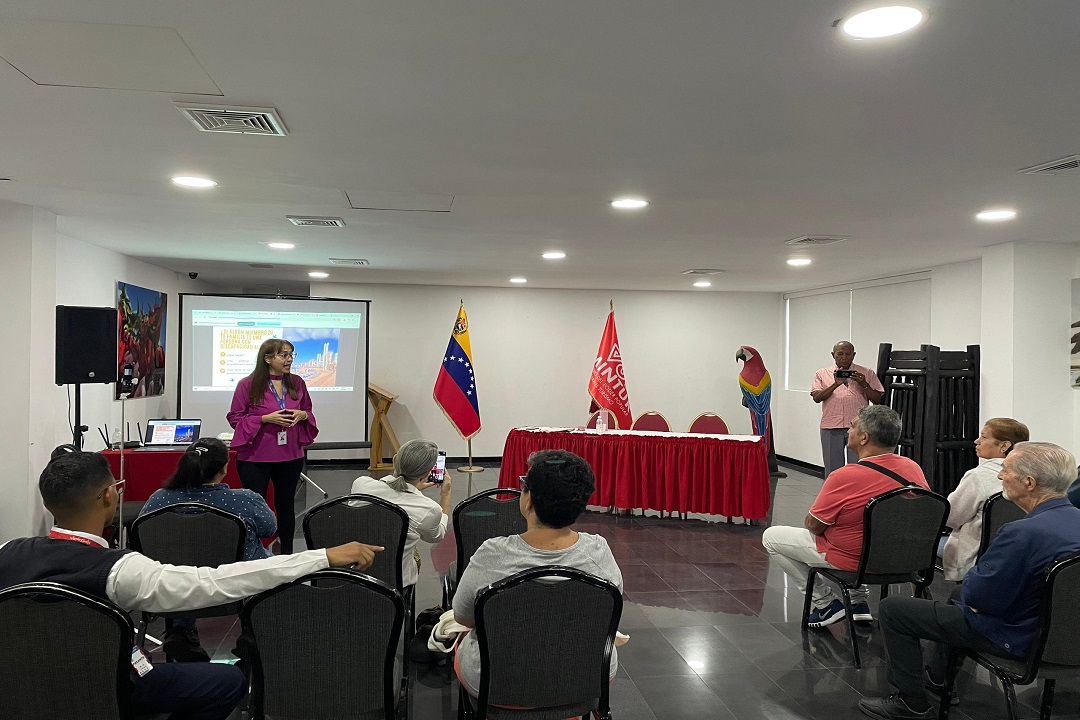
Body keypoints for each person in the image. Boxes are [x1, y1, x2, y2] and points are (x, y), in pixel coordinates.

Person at [0, 451, 381, 720]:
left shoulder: (8, 551)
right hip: (109, 688)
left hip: (18, 687)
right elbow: (219, 582)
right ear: (110, 495)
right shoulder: (120, 571)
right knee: (226, 681)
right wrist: (321, 556)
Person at [859, 442, 1080, 720]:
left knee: (895, 609)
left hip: (1020, 639)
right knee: (957, 595)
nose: (1000, 475)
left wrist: (977, 585)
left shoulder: (1022, 533)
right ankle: (937, 678)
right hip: (1068, 637)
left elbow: (980, 597)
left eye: (1007, 470)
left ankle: (910, 702)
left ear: (1029, 482)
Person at [452, 449, 623, 700]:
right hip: (586, 679)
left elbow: (463, 617)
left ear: (529, 499)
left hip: (497, 686)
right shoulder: (599, 552)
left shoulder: (492, 555)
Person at [762, 405, 928, 628]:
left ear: (864, 438)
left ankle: (825, 604)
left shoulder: (844, 476)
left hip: (855, 563)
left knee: (772, 537)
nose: (848, 431)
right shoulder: (913, 468)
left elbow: (814, 525)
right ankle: (857, 603)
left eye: (852, 426)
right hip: (905, 560)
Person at [139, 437, 278, 662]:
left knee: (185, 560)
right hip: (235, 588)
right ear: (224, 468)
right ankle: (253, 637)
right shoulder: (245, 500)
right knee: (271, 564)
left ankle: (181, 630)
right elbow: (269, 528)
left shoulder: (158, 500)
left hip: (176, 588)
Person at [227, 338, 318, 554]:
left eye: (291, 355)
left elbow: (308, 410)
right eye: (283, 355)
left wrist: (302, 415)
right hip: (255, 457)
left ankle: (287, 553)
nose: (289, 360)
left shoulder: (297, 382)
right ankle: (253, 552)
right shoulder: (247, 384)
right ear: (267, 358)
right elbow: (234, 418)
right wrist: (265, 419)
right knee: (254, 505)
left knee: (286, 505)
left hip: (290, 455)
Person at [351, 438, 452, 588]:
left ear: (394, 460)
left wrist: (410, 488)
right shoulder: (428, 509)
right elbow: (437, 536)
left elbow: (386, 492)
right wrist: (445, 495)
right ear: (426, 474)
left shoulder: (361, 485)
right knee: (414, 553)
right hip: (395, 581)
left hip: (356, 572)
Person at [938, 418, 1029, 581]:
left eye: (984, 437)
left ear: (1004, 446)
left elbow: (950, 518)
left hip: (973, 557)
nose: (977, 441)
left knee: (923, 545)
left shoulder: (978, 476)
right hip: (1013, 557)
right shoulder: (1029, 479)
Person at [811, 341, 884, 478]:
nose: (844, 357)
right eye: (840, 354)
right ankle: (835, 492)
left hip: (859, 428)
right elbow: (817, 398)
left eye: (848, 354)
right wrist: (835, 384)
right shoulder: (821, 373)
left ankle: (857, 492)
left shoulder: (866, 373)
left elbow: (877, 400)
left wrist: (863, 384)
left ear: (854, 355)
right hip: (831, 426)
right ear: (833, 355)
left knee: (858, 468)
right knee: (832, 470)